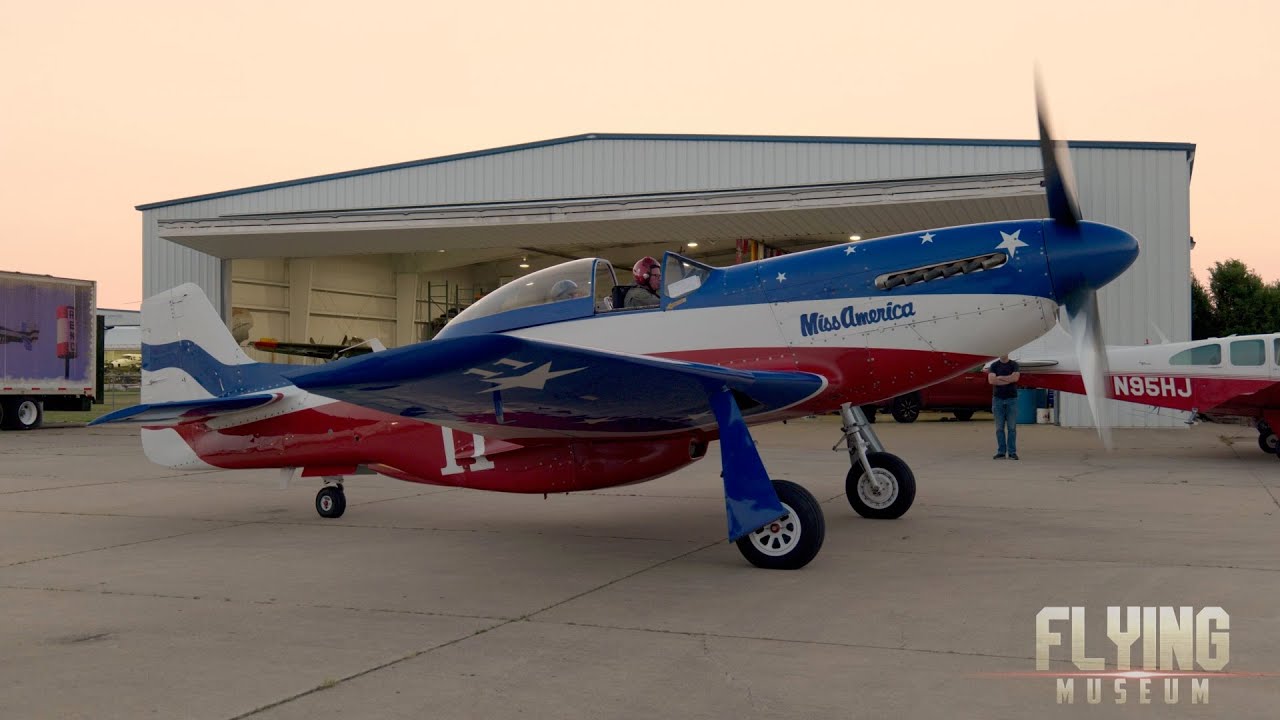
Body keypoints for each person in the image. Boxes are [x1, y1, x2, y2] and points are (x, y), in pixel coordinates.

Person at [988, 353, 1021, 459]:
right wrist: (1008, 379)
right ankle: (1001, 452)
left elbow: (1015, 378)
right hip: (998, 399)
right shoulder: (994, 365)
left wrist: (1000, 378)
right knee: (999, 428)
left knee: (1012, 428)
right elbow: (991, 380)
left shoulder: (1014, 365)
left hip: (1012, 399)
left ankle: (1012, 452)